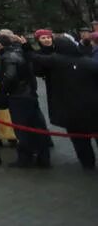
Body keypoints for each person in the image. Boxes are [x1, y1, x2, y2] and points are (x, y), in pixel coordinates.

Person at [32, 34, 98, 170]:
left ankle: (88, 163)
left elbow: (37, 58)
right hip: (93, 106)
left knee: (79, 140)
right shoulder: (89, 62)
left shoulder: (57, 61)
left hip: (71, 109)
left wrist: (25, 47)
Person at [0, 34, 51, 168]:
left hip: (18, 95)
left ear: (1, 44)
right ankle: (42, 156)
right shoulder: (18, 52)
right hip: (28, 93)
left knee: (22, 128)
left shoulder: (8, 56)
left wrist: (2, 88)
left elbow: (10, 76)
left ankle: (26, 158)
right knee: (35, 125)